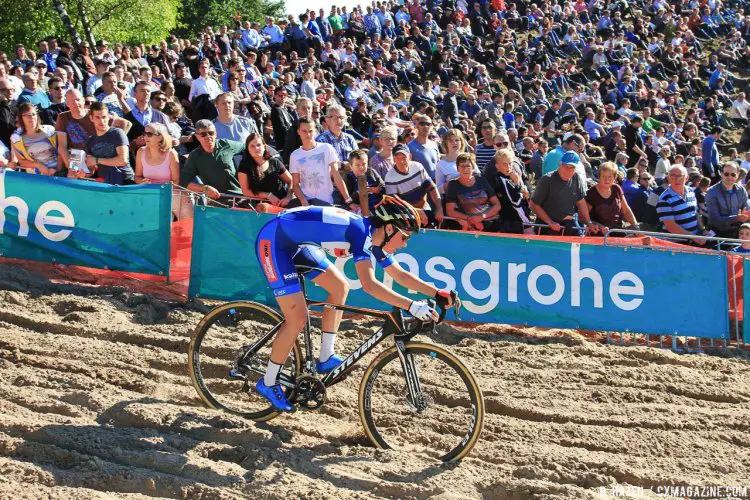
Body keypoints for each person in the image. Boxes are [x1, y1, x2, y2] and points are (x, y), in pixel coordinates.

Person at [253, 197, 456, 411]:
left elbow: (399, 275)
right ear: (388, 229)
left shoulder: (373, 238)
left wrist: (437, 293)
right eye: (404, 237)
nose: (405, 244)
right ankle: (268, 381)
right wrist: (412, 306)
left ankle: (325, 356)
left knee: (340, 287)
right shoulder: (361, 233)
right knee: (298, 318)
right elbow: (369, 285)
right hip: (274, 241)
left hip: (299, 244)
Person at [289, 117, 353, 208]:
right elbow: (295, 184)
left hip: (328, 201)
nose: (308, 134)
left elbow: (336, 176)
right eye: (304, 131)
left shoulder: (327, 148)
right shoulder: (295, 156)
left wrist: (348, 200)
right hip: (308, 203)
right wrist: (303, 201)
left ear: (315, 131)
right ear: (298, 131)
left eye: (310, 131)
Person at [530, 151, 597, 236]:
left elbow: (581, 201)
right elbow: (533, 204)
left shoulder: (576, 178)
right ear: (560, 164)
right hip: (547, 227)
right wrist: (550, 222)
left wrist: (588, 222)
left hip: (569, 225)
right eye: (566, 166)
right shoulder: (546, 180)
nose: (568, 170)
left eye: (572, 167)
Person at [133, 122, 191, 219]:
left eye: (149, 134)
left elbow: (176, 182)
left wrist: (161, 190)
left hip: (168, 193)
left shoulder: (171, 153)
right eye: (144, 134)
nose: (145, 137)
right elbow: (137, 177)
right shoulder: (141, 151)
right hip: (149, 194)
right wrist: (141, 181)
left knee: (187, 221)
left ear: (160, 137)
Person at [180, 119, 246, 203]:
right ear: (197, 137)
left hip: (239, 198)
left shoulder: (226, 144)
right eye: (203, 134)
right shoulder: (195, 156)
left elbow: (247, 148)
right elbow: (184, 183)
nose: (208, 137)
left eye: (211, 133)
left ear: (215, 134)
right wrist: (205, 188)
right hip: (216, 202)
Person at [385, 144, 443, 226]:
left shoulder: (418, 166)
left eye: (404, 157)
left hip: (425, 209)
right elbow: (395, 204)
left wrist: (439, 208)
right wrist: (416, 212)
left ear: (410, 156)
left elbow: (432, 188)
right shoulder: (389, 177)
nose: (401, 161)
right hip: (407, 216)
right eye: (397, 158)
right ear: (394, 159)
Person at [237, 132, 293, 212]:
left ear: (264, 146)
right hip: (259, 206)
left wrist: (288, 197)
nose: (256, 148)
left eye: (259, 145)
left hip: (281, 204)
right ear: (248, 149)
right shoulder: (244, 165)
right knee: (263, 207)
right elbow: (246, 191)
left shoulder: (274, 162)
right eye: (252, 146)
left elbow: (291, 181)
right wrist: (268, 195)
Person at [444, 153, 502, 231]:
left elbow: (497, 205)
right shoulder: (453, 185)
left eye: (468, 166)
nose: (465, 169)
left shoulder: (482, 180)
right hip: (469, 225)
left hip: (490, 222)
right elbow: (450, 211)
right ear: (457, 168)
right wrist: (472, 220)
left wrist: (481, 217)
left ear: (473, 168)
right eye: (462, 166)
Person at [657, 164, 711, 244]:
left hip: (693, 240)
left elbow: (695, 213)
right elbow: (671, 227)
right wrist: (694, 238)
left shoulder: (691, 191)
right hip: (676, 244)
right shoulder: (664, 199)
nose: (676, 179)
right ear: (668, 178)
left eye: (680, 176)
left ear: (686, 178)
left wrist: (702, 230)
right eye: (673, 176)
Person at [83, 102, 133, 184]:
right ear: (91, 118)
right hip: (105, 183)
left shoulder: (117, 133)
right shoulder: (90, 141)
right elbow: (91, 168)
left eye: (104, 117)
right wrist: (83, 173)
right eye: (97, 117)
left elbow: (123, 160)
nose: (101, 121)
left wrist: (97, 160)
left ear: (108, 117)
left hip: (125, 181)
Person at [10, 102, 63, 175]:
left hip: (58, 172)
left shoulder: (50, 130)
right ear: (21, 118)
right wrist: (38, 165)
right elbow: (21, 161)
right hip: (37, 177)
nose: (32, 117)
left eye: (34, 114)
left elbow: (61, 151)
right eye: (28, 115)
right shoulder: (16, 138)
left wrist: (57, 170)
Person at [585, 161, 639, 234]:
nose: (606, 179)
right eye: (603, 176)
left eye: (610, 176)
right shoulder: (591, 193)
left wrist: (636, 227)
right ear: (599, 176)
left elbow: (626, 211)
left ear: (615, 177)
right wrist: (599, 226)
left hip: (618, 232)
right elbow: (583, 218)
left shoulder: (617, 188)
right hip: (598, 235)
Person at [488, 148, 533, 234]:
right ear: (497, 166)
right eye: (504, 164)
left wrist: (526, 196)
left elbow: (525, 199)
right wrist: (517, 184)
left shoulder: (511, 177)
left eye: (510, 163)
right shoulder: (501, 180)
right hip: (514, 222)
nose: (508, 167)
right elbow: (515, 202)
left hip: (522, 220)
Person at [704, 162, 750, 238]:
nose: (729, 177)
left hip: (738, 233)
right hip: (719, 234)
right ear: (721, 174)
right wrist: (736, 218)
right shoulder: (711, 192)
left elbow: (746, 211)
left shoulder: (741, 190)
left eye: (733, 174)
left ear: (738, 175)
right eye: (726, 174)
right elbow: (714, 220)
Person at [346, 148, 385, 214]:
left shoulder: (371, 172)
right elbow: (346, 199)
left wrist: (379, 189)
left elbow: (383, 186)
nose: (361, 167)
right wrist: (360, 192)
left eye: (364, 164)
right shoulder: (348, 178)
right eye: (357, 165)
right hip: (361, 208)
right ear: (351, 166)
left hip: (379, 205)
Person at [435, 128, 468, 194]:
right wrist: (453, 182)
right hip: (454, 199)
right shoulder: (440, 164)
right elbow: (438, 189)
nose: (454, 143)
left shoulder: (468, 157)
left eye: (457, 140)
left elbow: (478, 176)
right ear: (446, 143)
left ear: (461, 142)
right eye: (451, 140)